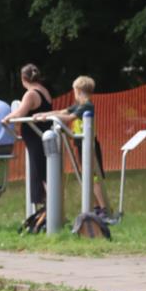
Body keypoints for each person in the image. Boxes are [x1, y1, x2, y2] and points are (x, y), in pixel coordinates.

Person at [34, 75, 111, 214]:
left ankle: (104, 208)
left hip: (90, 145)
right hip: (82, 145)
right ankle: (96, 208)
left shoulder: (87, 105)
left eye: (74, 90)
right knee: (87, 177)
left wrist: (49, 117)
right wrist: (43, 114)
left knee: (93, 177)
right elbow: (61, 112)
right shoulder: (79, 106)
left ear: (78, 90)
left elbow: (69, 118)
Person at [1, 63, 53, 206]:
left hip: (36, 137)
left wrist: (6, 119)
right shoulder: (44, 90)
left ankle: (52, 206)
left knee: (41, 172)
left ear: (23, 78)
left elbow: (20, 113)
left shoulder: (30, 94)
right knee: (41, 171)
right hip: (41, 134)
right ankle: (47, 206)